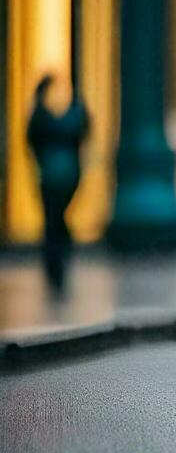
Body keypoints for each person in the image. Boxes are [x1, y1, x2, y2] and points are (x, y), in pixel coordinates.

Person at [25, 75, 89, 291]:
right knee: (56, 220)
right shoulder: (64, 123)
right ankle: (58, 261)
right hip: (62, 176)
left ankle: (56, 262)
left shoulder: (44, 121)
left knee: (54, 221)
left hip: (55, 178)